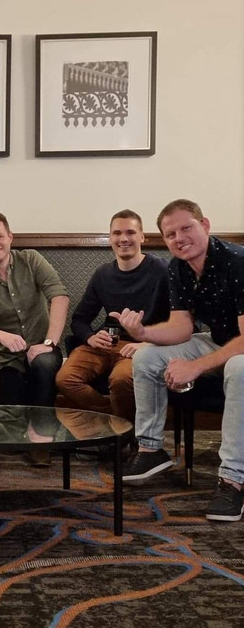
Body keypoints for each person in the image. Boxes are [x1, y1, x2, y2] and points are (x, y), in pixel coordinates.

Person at [113, 199, 244, 522]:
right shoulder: (177, 267)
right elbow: (182, 327)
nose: (179, 238)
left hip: (240, 346)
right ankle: (150, 448)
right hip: (218, 339)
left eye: (187, 228)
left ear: (205, 225)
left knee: (238, 368)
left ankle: (233, 479)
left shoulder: (237, 262)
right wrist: (142, 333)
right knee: (146, 356)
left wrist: (195, 367)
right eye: (170, 234)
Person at [55, 209, 170, 420]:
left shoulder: (163, 270)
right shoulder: (103, 274)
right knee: (65, 379)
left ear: (142, 237)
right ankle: (116, 423)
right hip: (106, 344)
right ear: (110, 238)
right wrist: (91, 336)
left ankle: (120, 430)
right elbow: (79, 319)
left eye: (130, 232)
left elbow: (184, 324)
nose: (123, 238)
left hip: (142, 347)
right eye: (117, 233)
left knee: (121, 380)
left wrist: (150, 345)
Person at [0, 211, 69, 408]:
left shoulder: (31, 259)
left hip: (44, 348)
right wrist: (0, 335)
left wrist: (49, 343)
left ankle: (44, 425)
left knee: (43, 365)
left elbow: (59, 296)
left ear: (10, 237)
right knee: (11, 413)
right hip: (9, 359)